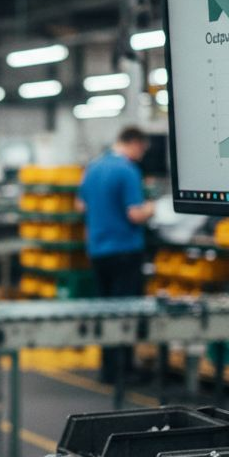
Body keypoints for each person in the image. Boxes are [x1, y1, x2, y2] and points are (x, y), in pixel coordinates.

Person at [77, 126, 156, 382]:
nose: (141, 155)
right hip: (124, 250)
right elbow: (134, 213)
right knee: (125, 313)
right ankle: (124, 370)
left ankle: (109, 369)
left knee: (107, 311)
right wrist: (155, 208)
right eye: (141, 150)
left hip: (98, 250)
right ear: (134, 143)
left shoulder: (94, 167)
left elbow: (80, 204)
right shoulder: (127, 170)